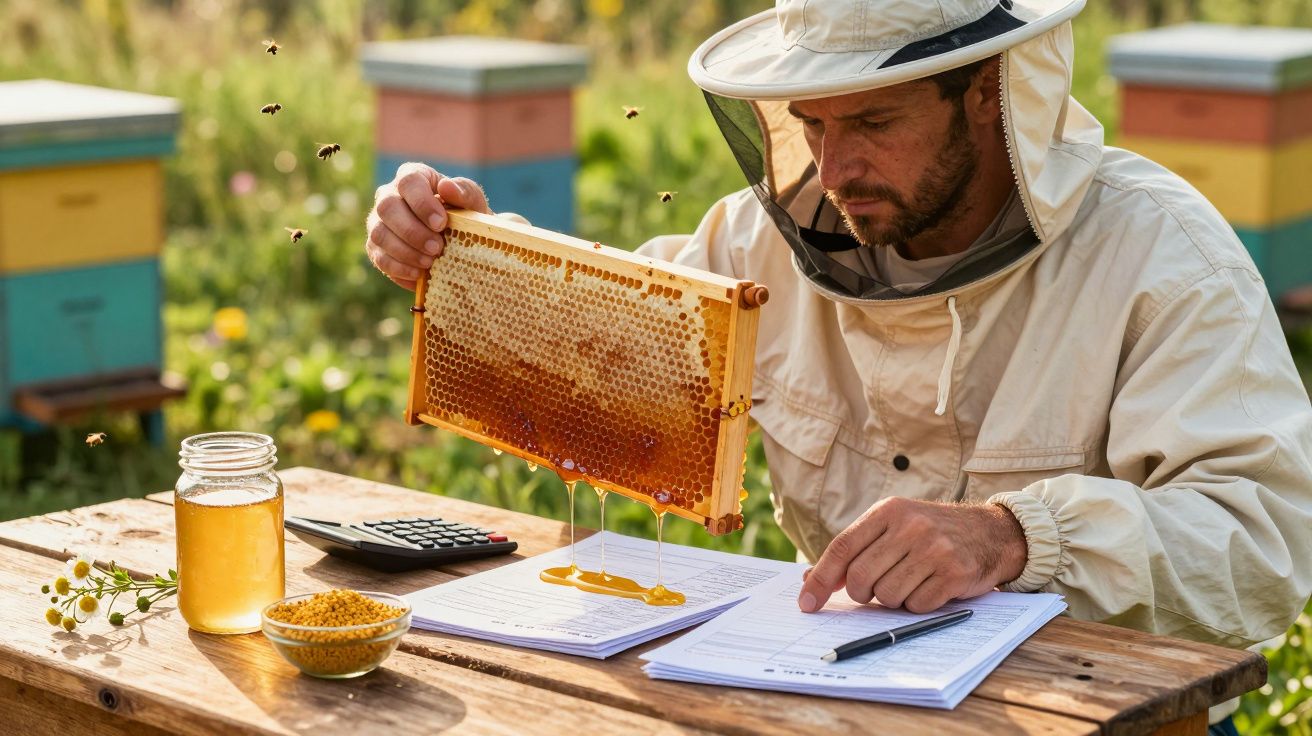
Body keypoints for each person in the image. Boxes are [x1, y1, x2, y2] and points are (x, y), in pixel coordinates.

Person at [365, 1, 1312, 729]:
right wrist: (470, 252)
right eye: (812, 124)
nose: (833, 165)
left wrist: (1014, 538)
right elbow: (613, 339)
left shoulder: (1162, 256)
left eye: (873, 122)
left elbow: (1268, 539)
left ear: (988, 90)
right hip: (838, 700)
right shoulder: (756, 241)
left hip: (1114, 723)